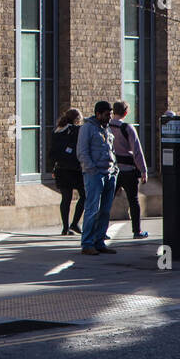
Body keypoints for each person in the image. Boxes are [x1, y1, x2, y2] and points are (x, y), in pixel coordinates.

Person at [76, 101, 119, 255]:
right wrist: (92, 169)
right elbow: (82, 152)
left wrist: (115, 169)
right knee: (92, 209)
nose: (110, 118)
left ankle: (99, 241)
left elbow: (111, 149)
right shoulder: (87, 128)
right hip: (94, 174)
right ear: (98, 114)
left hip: (109, 173)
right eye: (107, 115)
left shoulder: (107, 129)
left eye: (111, 114)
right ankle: (87, 243)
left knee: (105, 210)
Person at [108, 101, 149, 239]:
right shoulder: (127, 128)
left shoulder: (106, 127)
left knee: (107, 200)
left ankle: (100, 230)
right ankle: (137, 231)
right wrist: (143, 170)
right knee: (133, 201)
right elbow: (137, 151)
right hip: (128, 170)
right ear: (126, 113)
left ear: (113, 111)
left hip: (112, 169)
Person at [50, 108, 86, 235]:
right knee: (84, 195)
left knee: (66, 198)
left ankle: (65, 228)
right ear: (77, 120)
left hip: (60, 168)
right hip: (75, 169)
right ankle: (75, 223)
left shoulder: (57, 130)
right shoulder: (77, 130)